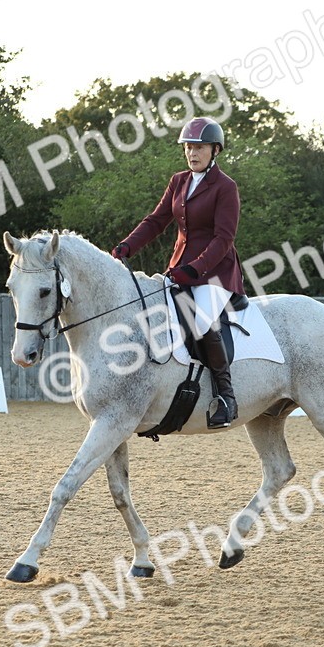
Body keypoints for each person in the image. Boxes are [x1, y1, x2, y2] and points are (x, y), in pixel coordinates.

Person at [111, 116, 244, 429]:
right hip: (179, 270)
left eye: (199, 148)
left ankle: (226, 396)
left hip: (215, 273)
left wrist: (195, 269)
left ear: (215, 150)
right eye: (188, 147)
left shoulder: (225, 187)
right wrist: (128, 246)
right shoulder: (179, 181)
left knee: (202, 320)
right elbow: (156, 221)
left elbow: (223, 239)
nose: (192, 153)